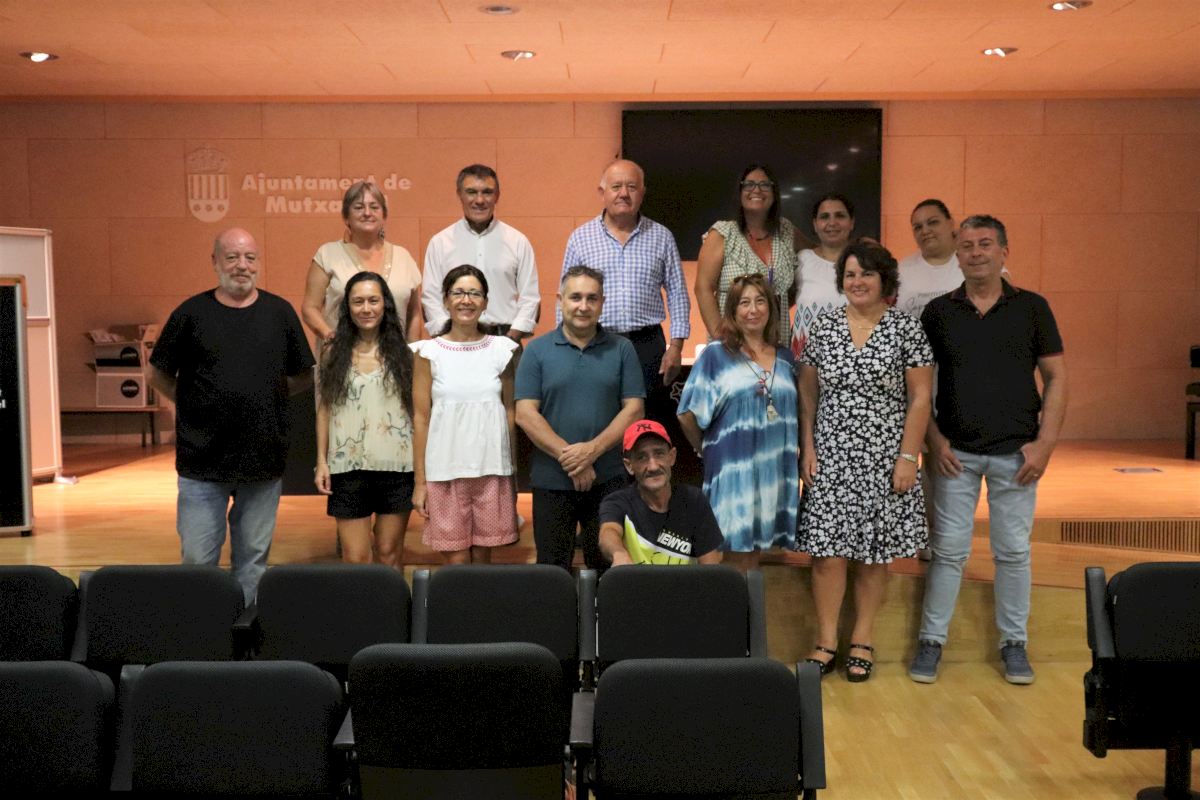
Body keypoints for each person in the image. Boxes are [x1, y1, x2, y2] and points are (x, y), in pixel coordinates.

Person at [909, 214, 1068, 686]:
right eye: (967, 246)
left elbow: (1057, 379)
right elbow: (918, 388)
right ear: (957, 255)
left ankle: (1013, 644)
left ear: (1004, 252)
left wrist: (1045, 445)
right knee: (947, 552)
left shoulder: (1033, 308)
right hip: (954, 455)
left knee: (1013, 553)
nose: (975, 253)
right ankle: (931, 641)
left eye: (985, 244)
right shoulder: (938, 312)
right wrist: (933, 440)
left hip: (1017, 457)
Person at [149, 228, 314, 604]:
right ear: (215, 262)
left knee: (253, 562)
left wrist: (268, 395)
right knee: (197, 561)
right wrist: (191, 402)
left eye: (250, 258)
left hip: (262, 461)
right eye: (232, 257)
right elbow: (156, 373)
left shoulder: (280, 313)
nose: (242, 265)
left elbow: (304, 374)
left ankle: (243, 630)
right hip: (201, 462)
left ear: (258, 263)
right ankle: (203, 631)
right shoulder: (190, 314)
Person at [796, 241, 934, 682]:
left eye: (866, 274)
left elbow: (920, 398)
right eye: (850, 274)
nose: (857, 282)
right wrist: (808, 447)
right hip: (831, 454)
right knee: (827, 552)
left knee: (874, 554)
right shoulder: (824, 326)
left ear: (884, 280)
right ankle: (825, 642)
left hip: (884, 456)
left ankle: (862, 639)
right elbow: (807, 394)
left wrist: (908, 456)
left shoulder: (906, 329)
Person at [515, 266, 645, 571]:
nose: (583, 306)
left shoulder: (622, 349)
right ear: (560, 300)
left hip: (608, 479)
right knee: (552, 572)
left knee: (606, 569)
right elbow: (525, 414)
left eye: (592, 298)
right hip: (551, 480)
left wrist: (592, 451)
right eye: (575, 297)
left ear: (602, 303)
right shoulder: (536, 351)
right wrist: (573, 458)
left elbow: (634, 410)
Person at [677, 273, 799, 572]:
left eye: (760, 301)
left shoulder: (786, 358)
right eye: (744, 303)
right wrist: (704, 449)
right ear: (732, 311)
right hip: (733, 470)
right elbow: (687, 414)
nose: (753, 309)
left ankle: (747, 604)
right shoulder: (717, 355)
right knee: (729, 554)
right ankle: (728, 604)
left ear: (771, 307)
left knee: (753, 552)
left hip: (774, 471)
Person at [411, 265, 520, 564]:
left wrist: (512, 474)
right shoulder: (428, 352)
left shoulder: (502, 350)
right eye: (458, 293)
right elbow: (420, 419)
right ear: (445, 301)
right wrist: (420, 482)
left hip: (492, 472)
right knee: (456, 563)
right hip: (444, 473)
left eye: (475, 293)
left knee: (482, 563)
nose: (466, 300)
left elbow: (509, 413)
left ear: (485, 302)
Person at [560, 158, 690, 394]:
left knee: (646, 412)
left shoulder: (661, 237)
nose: (624, 194)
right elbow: (566, 295)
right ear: (602, 193)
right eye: (616, 187)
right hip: (594, 342)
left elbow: (678, 293)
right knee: (597, 408)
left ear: (642, 193)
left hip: (647, 346)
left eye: (631, 187)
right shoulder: (580, 238)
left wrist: (676, 346)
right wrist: (564, 346)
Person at [313, 271, 415, 568]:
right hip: (347, 467)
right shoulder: (332, 351)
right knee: (356, 558)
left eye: (373, 300)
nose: (366, 308)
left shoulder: (407, 354)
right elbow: (324, 408)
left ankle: (395, 602)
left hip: (397, 467)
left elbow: (418, 413)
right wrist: (321, 460)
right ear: (347, 307)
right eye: (358, 301)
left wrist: (423, 472)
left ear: (386, 305)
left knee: (389, 552)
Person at [421, 164, 539, 344]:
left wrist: (510, 339)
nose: (480, 200)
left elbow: (530, 298)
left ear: (497, 196)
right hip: (453, 342)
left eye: (487, 192)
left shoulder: (518, 241)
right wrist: (448, 338)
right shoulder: (440, 243)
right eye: (471, 192)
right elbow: (431, 298)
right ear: (459, 194)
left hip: (504, 340)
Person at [301, 180, 423, 349]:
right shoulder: (327, 254)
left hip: (395, 358)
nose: (367, 213)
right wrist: (330, 337)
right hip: (341, 357)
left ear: (384, 216)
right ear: (346, 217)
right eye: (358, 207)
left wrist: (413, 354)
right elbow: (310, 308)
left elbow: (414, 313)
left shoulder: (404, 257)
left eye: (374, 207)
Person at [695, 164, 807, 347]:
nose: (756, 190)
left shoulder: (786, 231)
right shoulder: (723, 234)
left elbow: (819, 254)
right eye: (749, 184)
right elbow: (703, 288)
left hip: (777, 345)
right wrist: (721, 338)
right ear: (740, 192)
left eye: (765, 184)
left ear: (774, 193)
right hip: (732, 347)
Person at [598, 420, 724, 567]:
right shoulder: (617, 502)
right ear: (629, 465)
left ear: (672, 457)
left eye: (659, 454)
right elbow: (608, 533)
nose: (653, 466)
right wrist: (619, 554)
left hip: (684, 583)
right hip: (636, 582)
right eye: (641, 457)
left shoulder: (693, 500)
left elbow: (710, 567)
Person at [791, 193, 855, 356]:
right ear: (815, 224)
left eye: (840, 216)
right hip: (804, 361)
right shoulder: (802, 260)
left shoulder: (866, 263)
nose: (832, 223)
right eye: (824, 217)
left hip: (852, 361)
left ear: (851, 223)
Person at [895, 199, 961, 318]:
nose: (925, 231)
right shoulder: (901, 270)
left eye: (933, 222)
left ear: (951, 223)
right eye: (918, 227)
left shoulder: (972, 263)